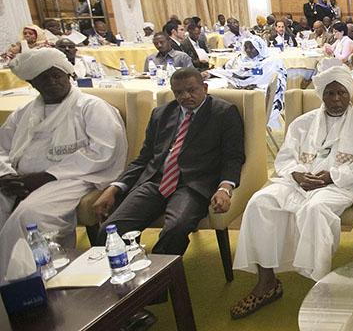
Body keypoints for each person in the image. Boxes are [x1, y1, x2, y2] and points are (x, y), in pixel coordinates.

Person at [230, 66, 353, 318]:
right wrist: (297, 174)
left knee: (315, 209)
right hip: (298, 181)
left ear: (349, 93)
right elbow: (286, 157)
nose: (336, 99)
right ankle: (267, 282)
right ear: (321, 95)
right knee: (260, 202)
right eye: (330, 93)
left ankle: (320, 286)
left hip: (339, 184)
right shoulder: (303, 123)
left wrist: (332, 175)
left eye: (342, 93)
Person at [0, 49, 127, 280]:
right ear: (33, 83)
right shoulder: (23, 113)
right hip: (19, 179)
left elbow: (103, 151)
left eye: (57, 75)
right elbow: (2, 147)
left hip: (72, 178)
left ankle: (34, 281)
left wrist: (46, 176)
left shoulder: (91, 106)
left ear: (68, 74)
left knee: (29, 216)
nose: (52, 81)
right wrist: (7, 176)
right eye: (44, 78)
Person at [93, 67, 245, 258]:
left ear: (205, 88)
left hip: (193, 185)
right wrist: (114, 188)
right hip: (155, 181)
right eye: (179, 92)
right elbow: (144, 158)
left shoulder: (223, 113)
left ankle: (161, 273)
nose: (185, 96)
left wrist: (225, 188)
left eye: (192, 90)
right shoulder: (161, 113)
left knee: (176, 229)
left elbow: (233, 157)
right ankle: (126, 272)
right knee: (110, 231)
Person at [224, 36, 287, 130]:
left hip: (262, 96)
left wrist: (256, 86)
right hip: (239, 92)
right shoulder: (238, 60)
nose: (248, 50)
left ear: (259, 47)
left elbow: (277, 81)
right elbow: (228, 72)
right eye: (246, 47)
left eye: (252, 47)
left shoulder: (271, 61)